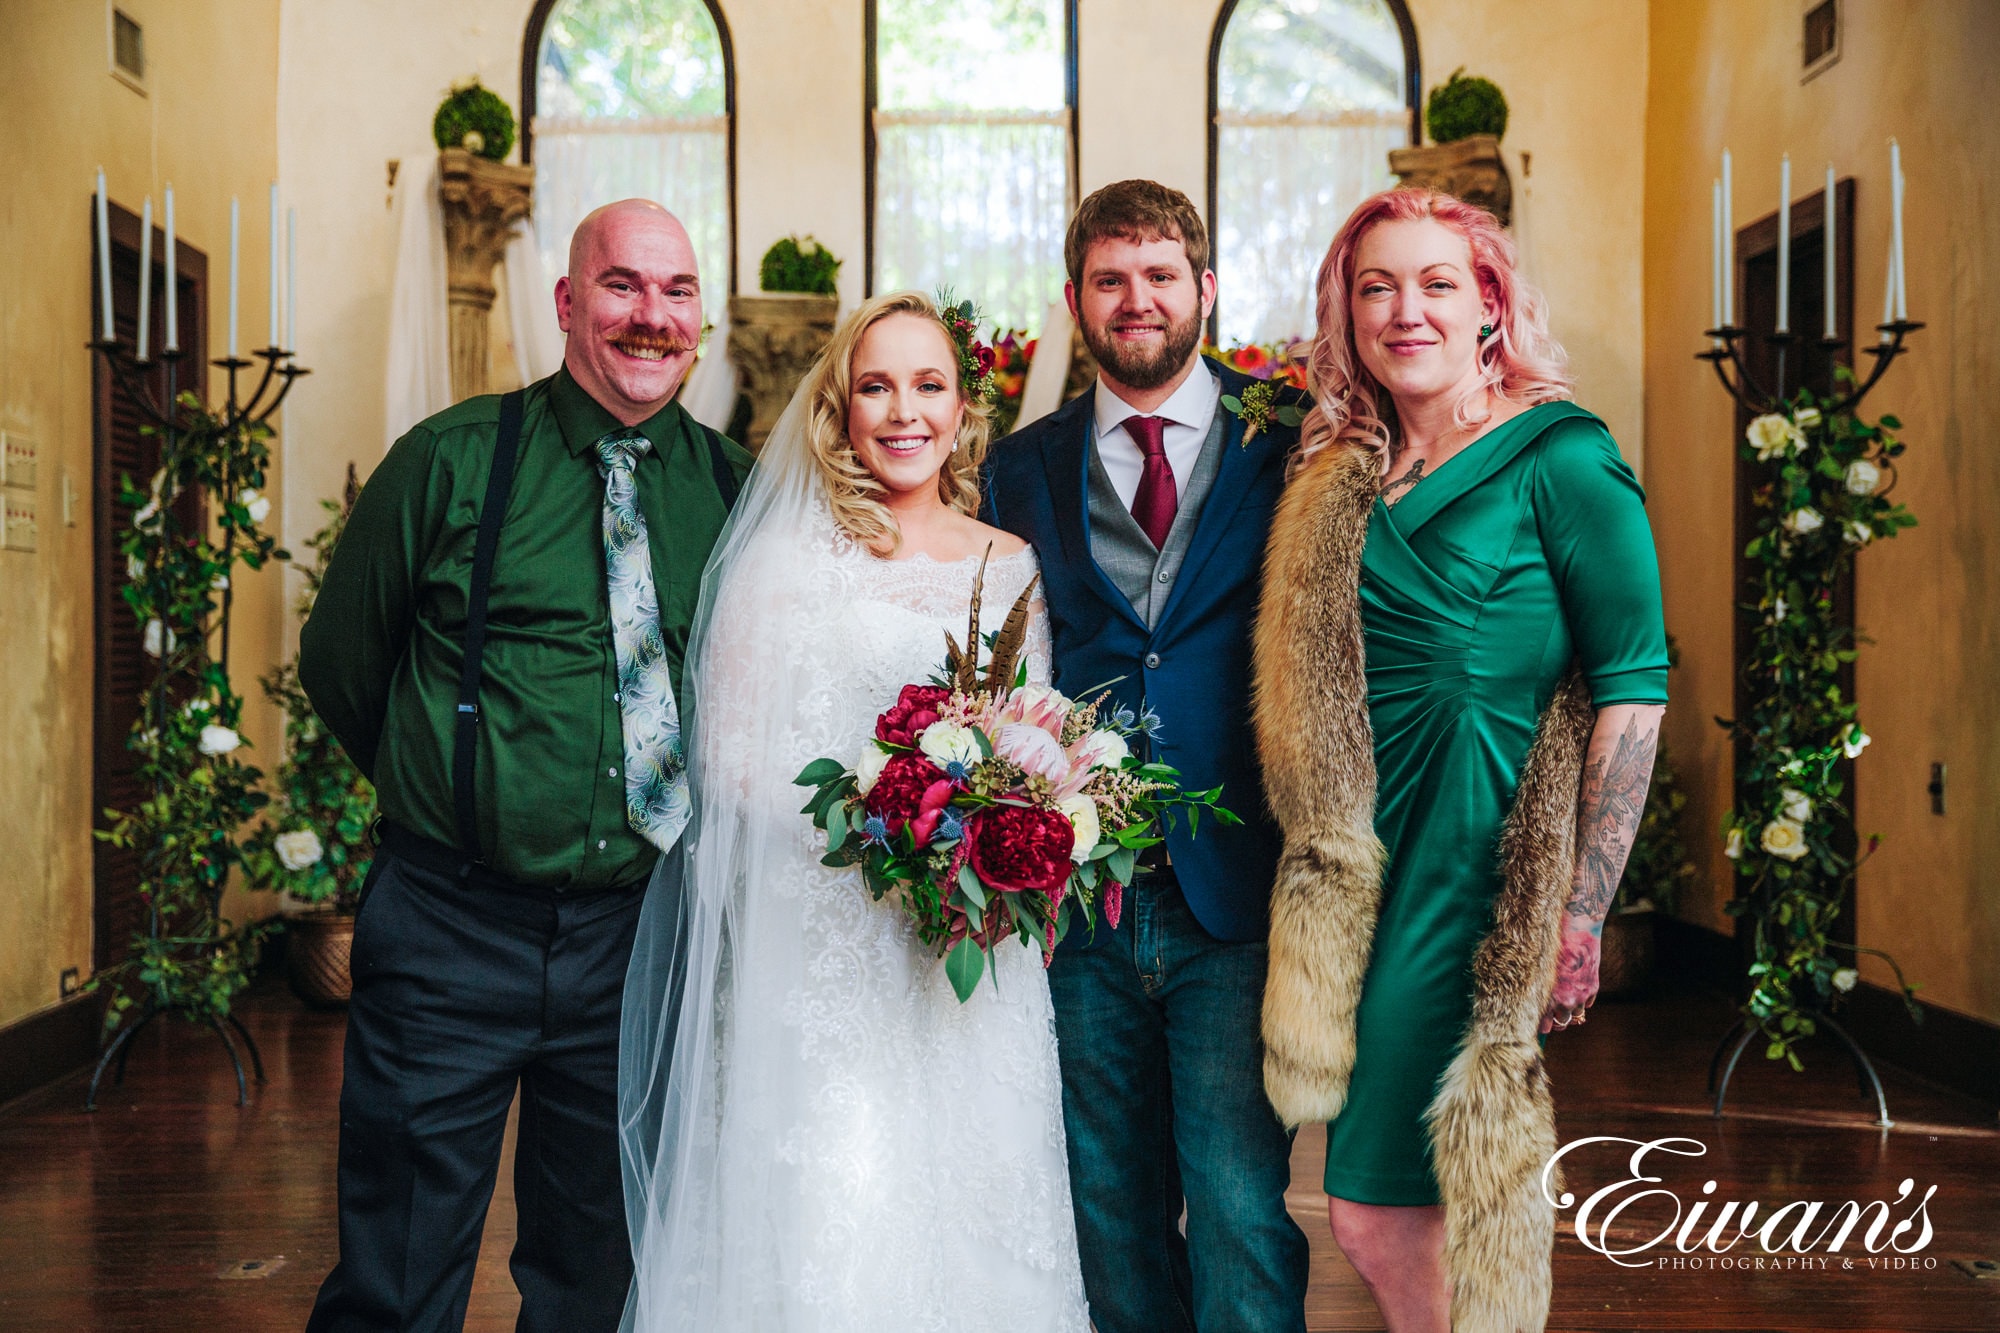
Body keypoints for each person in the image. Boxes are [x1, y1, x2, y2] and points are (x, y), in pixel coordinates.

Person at [300, 199, 753, 1332]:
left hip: (633, 938)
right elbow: (344, 665)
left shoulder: (735, 491)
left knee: (592, 1274)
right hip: (451, 925)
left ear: (700, 317)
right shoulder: (449, 462)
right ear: (565, 303)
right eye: (621, 286)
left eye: (676, 291)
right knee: (398, 1270)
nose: (651, 316)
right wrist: (459, 797)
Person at [618, 291, 1089, 1331]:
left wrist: (998, 817)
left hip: (970, 955)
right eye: (875, 386)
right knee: (838, 1201)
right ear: (839, 408)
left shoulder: (1006, 563)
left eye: (927, 385)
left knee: (982, 1198)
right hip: (828, 954)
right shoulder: (784, 564)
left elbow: (1029, 736)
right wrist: (896, 812)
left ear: (965, 407)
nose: (902, 410)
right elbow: (733, 766)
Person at [1253, 186, 1668, 1333]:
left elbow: (1632, 686)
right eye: (1374, 285)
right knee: (1390, 1210)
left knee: (1379, 1211)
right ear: (1346, 312)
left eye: (1436, 282)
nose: (1404, 310)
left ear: (1487, 304)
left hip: (1474, 873)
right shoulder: (1337, 477)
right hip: (1360, 873)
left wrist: (1580, 909)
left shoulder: (1561, 457)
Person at [983, 180, 1311, 1333]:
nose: (1136, 300)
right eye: (1110, 279)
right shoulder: (1016, 469)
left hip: (1237, 890)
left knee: (1235, 1202)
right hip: (1080, 902)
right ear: (1074, 299)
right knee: (1106, 1206)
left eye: (1160, 275)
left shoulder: (1293, 439)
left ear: (1204, 289)